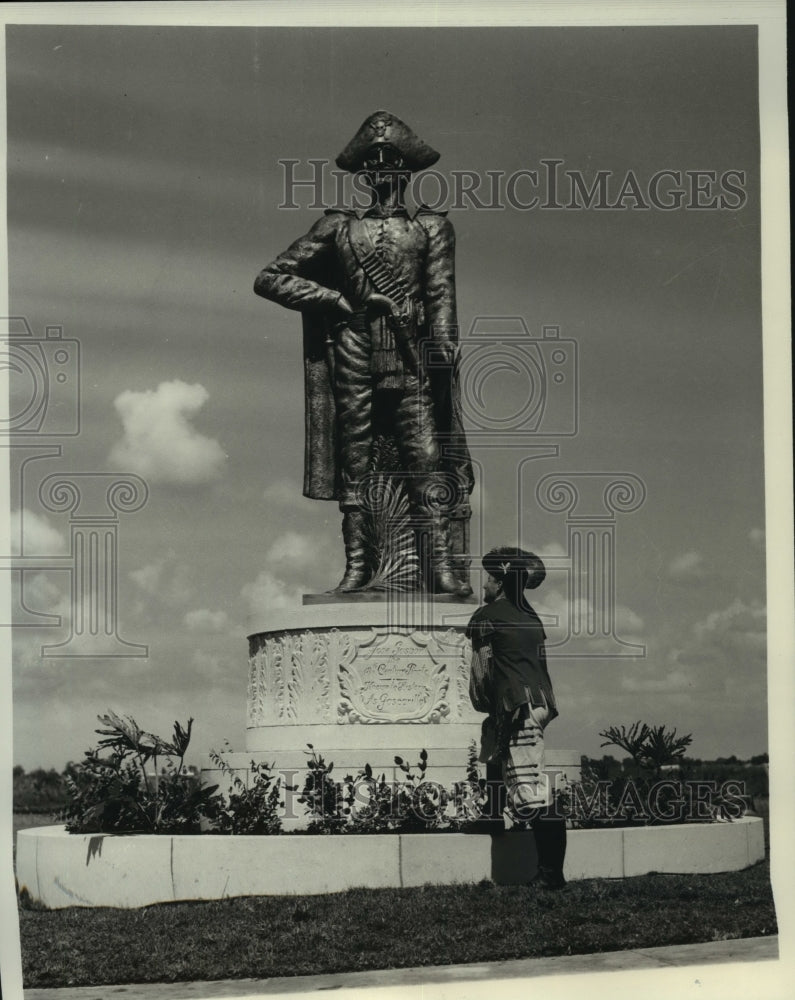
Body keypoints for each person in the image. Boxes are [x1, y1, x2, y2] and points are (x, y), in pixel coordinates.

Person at [254, 110, 473, 597]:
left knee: (426, 459)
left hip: (411, 357)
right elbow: (270, 277)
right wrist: (338, 301)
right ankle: (357, 570)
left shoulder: (431, 229)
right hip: (355, 353)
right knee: (355, 460)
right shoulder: (337, 228)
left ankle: (439, 569)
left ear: (405, 169)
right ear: (362, 173)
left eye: (389, 160)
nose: (379, 170)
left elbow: (442, 299)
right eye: (371, 162)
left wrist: (441, 352)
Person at [466, 546, 567, 890]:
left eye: (489, 579)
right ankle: (493, 815)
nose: (484, 585)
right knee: (493, 744)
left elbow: (481, 671)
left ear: (499, 581)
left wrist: (483, 702)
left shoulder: (486, 616)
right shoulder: (531, 616)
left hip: (516, 705)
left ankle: (551, 874)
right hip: (539, 700)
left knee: (530, 791)